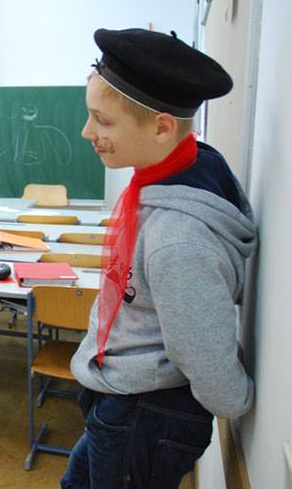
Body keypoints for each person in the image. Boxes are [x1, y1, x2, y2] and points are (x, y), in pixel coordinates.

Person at [60, 28, 257, 488]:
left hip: (145, 412)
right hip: (124, 395)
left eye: (102, 121)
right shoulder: (177, 171)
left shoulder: (178, 239)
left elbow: (204, 357)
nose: (87, 132)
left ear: (163, 128)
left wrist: (235, 399)